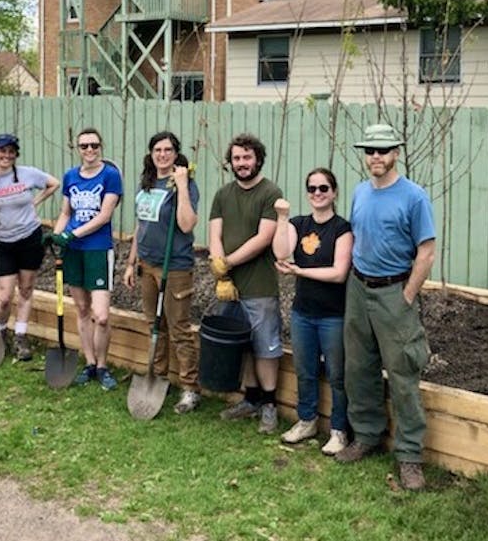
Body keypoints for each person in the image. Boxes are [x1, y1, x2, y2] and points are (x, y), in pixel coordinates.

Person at [336, 124, 436, 492]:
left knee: (403, 373)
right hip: (359, 288)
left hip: (395, 292)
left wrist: (407, 295)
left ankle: (409, 456)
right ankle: (366, 435)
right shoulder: (361, 192)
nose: (376, 157)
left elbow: (426, 252)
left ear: (396, 153)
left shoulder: (414, 197)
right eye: (370, 151)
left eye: (383, 151)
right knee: (358, 367)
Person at [272, 168, 352, 455]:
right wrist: (281, 218)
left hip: (333, 314)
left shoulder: (342, 229)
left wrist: (301, 271)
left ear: (334, 192)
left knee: (337, 374)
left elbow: (339, 273)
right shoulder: (298, 223)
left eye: (323, 188)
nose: (317, 193)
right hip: (303, 312)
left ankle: (339, 430)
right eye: (312, 188)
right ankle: (307, 421)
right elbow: (282, 252)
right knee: (305, 370)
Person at [208, 133, 284, 434]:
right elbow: (215, 233)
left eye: (247, 157)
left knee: (265, 346)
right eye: (237, 158)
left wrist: (228, 263)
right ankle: (249, 400)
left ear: (258, 159)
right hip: (229, 286)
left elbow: (263, 238)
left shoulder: (270, 193)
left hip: (259, 285)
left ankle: (269, 405)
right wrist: (220, 271)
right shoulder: (223, 194)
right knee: (243, 345)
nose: (242, 163)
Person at [123, 131, 201, 414]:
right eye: (158, 149)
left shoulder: (185, 184)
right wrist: (131, 262)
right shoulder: (145, 182)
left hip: (175, 266)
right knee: (155, 325)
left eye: (169, 150)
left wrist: (180, 186)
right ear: (151, 153)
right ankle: (158, 377)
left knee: (179, 329)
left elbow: (187, 224)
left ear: (176, 154)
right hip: (147, 265)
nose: (163, 154)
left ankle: (190, 388)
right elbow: (140, 225)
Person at [0, 133, 59, 361]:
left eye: (11, 151)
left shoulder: (27, 174)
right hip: (3, 243)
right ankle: (0, 331)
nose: (7, 155)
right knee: (5, 296)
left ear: (15, 154)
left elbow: (53, 183)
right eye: (2, 151)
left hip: (30, 238)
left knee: (27, 289)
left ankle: (21, 335)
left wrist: (36, 201)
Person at [48, 128, 124, 390]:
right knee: (81, 309)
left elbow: (104, 216)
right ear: (77, 149)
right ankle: (90, 363)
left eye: (93, 145)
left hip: (98, 249)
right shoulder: (70, 176)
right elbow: (66, 212)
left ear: (100, 146)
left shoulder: (110, 175)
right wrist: (56, 236)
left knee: (101, 315)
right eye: (84, 146)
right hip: (73, 251)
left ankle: (103, 366)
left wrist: (71, 235)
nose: (89, 150)